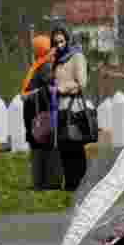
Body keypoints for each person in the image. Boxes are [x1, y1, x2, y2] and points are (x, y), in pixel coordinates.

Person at [50, 25, 89, 191]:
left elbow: (81, 83)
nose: (59, 45)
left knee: (75, 146)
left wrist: (61, 88)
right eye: (56, 42)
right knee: (64, 147)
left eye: (61, 41)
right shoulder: (57, 60)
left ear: (67, 40)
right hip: (59, 108)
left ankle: (80, 183)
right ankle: (70, 183)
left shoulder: (77, 57)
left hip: (74, 107)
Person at [21, 34, 63, 190]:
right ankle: (50, 182)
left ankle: (39, 182)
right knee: (49, 149)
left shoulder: (35, 67)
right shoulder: (44, 67)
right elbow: (51, 87)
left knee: (37, 149)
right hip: (44, 115)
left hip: (33, 116)